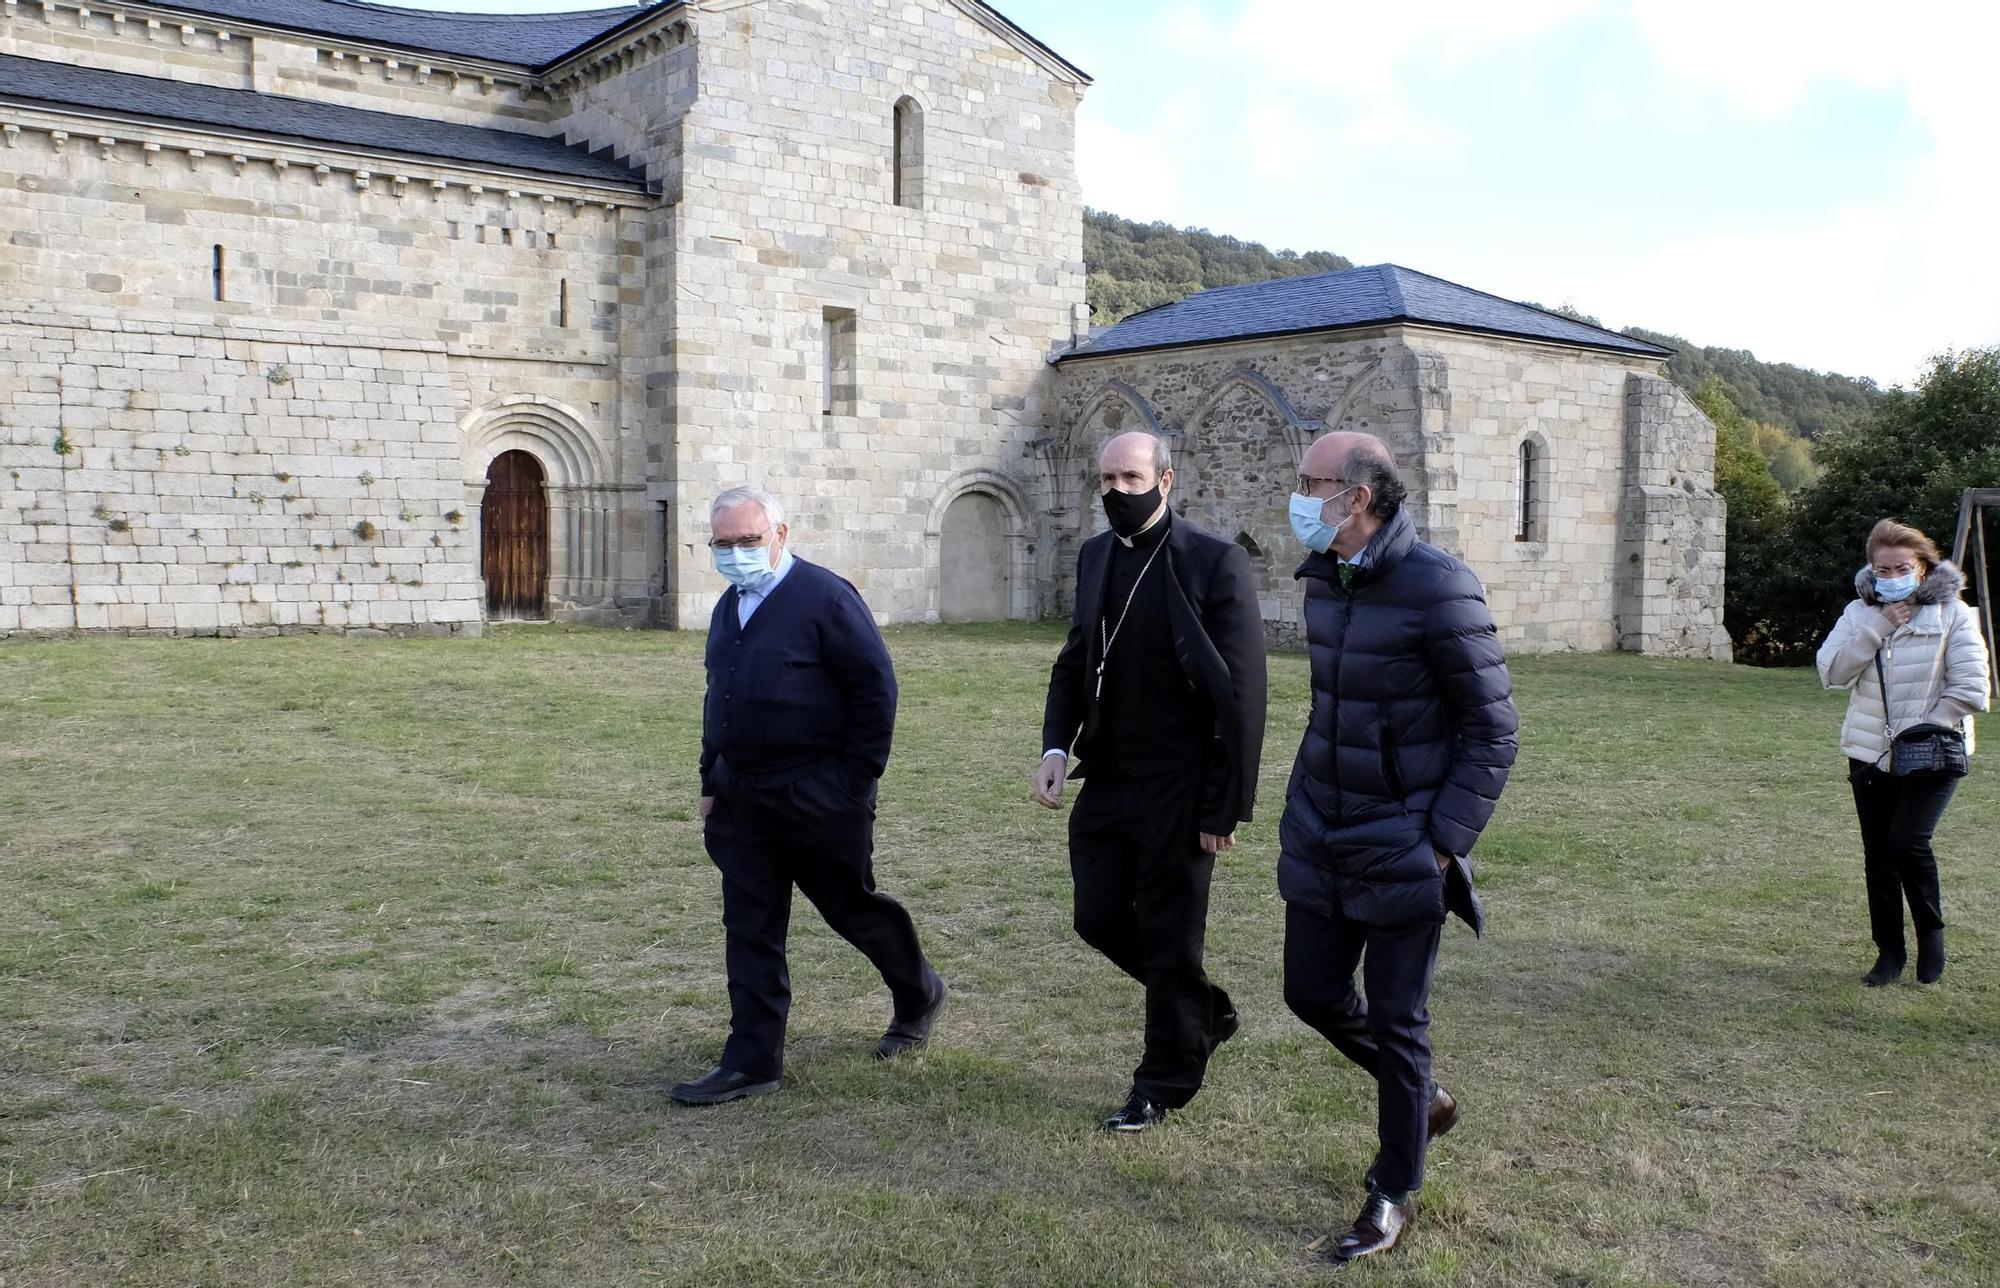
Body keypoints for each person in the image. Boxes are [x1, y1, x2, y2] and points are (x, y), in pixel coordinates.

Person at [1278, 433, 1518, 1267]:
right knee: (1308, 990)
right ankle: (1427, 1102)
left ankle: (1392, 1190)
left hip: (1404, 841)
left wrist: (1444, 845)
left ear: (1358, 498)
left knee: (1396, 1017)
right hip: (1321, 824)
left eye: (1308, 482)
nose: (1296, 496)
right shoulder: (1323, 579)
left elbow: (1493, 730)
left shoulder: (1439, 586)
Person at [671, 485, 947, 1106]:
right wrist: (710, 780)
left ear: (781, 535)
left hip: (819, 795)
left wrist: (853, 783)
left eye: (749, 540)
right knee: (750, 926)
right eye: (724, 543)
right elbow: (722, 698)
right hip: (742, 799)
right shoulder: (729, 606)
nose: (736, 553)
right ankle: (753, 1059)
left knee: (851, 908)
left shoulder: (825, 598)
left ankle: (918, 992)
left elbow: (875, 691)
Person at [1033, 430, 1267, 1133]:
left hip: (1183, 779)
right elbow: (1076, 659)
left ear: (1167, 482)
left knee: (1170, 938)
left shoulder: (1215, 562)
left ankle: (1163, 1081)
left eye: (1131, 479)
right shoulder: (1096, 555)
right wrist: (1054, 745)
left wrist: (1226, 802)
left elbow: (1243, 693)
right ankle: (1204, 1010)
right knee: (1096, 915)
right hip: (1110, 771)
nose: (1117, 493)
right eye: (1106, 480)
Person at [1815, 518, 1989, 987]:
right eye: (1883, 569)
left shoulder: (1954, 613)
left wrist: (1923, 725)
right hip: (1870, 751)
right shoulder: (1858, 613)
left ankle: (1931, 934)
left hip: (1932, 749)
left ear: (1923, 566)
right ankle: (1889, 950)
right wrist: (1875, 628)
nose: (1892, 576)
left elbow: (1971, 686)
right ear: (1871, 571)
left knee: (1908, 843)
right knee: (1879, 855)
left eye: (1902, 567)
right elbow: (1831, 672)